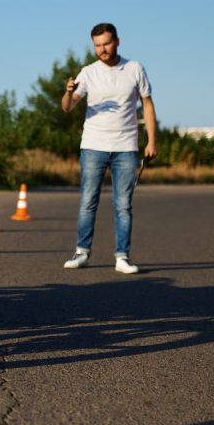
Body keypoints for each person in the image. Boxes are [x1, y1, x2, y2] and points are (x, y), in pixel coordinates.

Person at [60, 23, 157, 274]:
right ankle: (82, 252)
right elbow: (67, 107)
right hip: (93, 146)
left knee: (123, 205)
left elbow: (147, 105)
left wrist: (152, 141)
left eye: (106, 44)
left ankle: (122, 257)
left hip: (126, 147)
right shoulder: (88, 72)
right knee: (87, 202)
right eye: (97, 45)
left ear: (117, 41)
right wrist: (68, 93)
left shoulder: (135, 68)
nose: (102, 49)